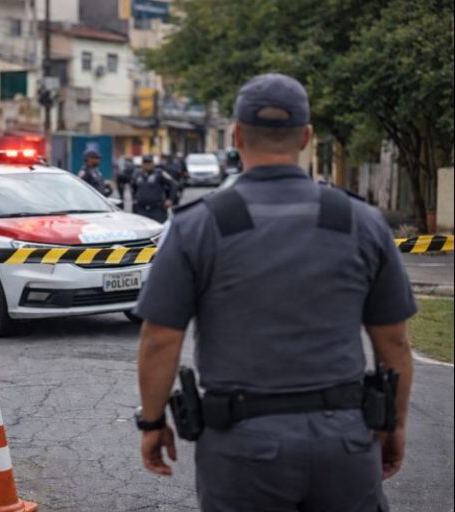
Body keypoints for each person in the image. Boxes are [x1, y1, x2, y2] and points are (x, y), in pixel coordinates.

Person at [134, 73, 415, 511]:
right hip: (344, 443)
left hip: (242, 451)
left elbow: (159, 340)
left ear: (237, 135)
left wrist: (152, 422)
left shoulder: (198, 226)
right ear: (305, 137)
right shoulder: (360, 221)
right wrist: (394, 423)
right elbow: (394, 343)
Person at [131, 154, 177, 223]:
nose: (147, 165)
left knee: (158, 229)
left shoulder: (160, 173)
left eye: (149, 163)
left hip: (156, 209)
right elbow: (133, 187)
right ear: (142, 164)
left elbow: (173, 185)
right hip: (141, 209)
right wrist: (135, 199)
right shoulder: (137, 174)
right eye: (145, 163)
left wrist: (170, 199)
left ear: (153, 164)